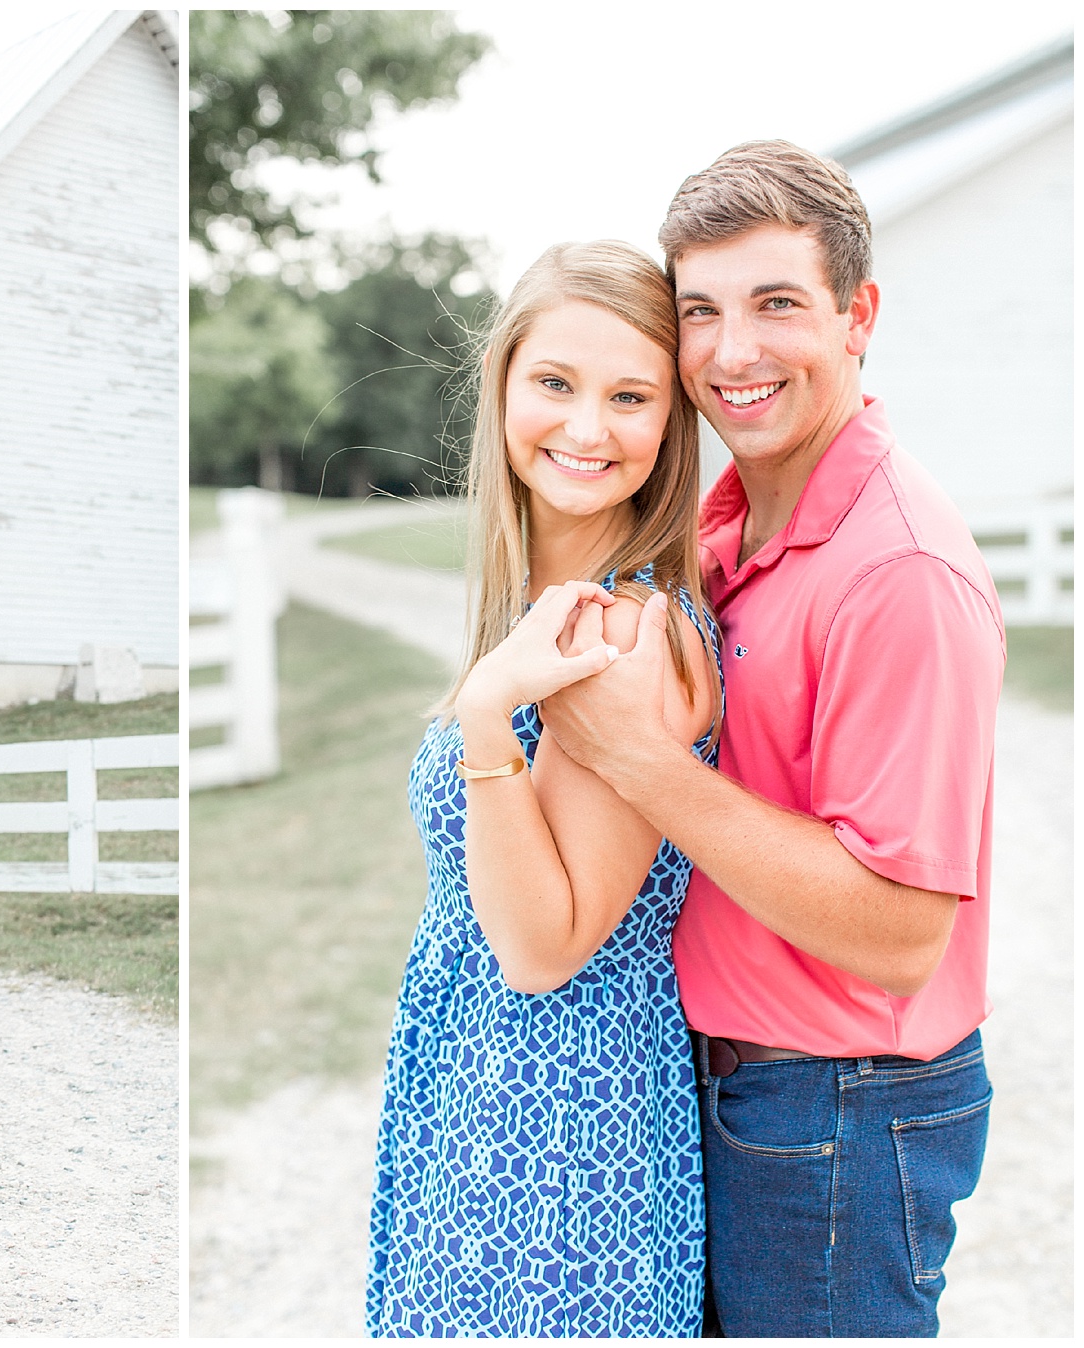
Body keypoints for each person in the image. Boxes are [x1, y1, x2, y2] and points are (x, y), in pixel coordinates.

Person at [540, 142, 1003, 1337]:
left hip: (839, 1108)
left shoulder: (899, 572)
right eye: (703, 312)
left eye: (777, 304)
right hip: (747, 1086)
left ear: (859, 317)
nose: (733, 352)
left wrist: (641, 761)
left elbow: (902, 934)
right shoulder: (733, 518)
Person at [368, 240, 723, 1337]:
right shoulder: (544, 603)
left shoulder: (620, 632)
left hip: (562, 1134)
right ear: (505, 385)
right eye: (557, 384)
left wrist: (484, 716)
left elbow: (544, 946)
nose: (585, 427)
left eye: (630, 396)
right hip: (473, 1096)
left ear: (670, 423)